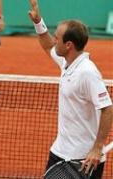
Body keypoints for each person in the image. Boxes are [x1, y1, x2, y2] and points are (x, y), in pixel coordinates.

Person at [28, 0, 113, 178]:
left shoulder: (87, 72)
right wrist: (38, 22)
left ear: (69, 45)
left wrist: (97, 148)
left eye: (57, 38)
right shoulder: (67, 63)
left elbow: (107, 107)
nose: (54, 40)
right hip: (60, 152)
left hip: (83, 160)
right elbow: (47, 45)